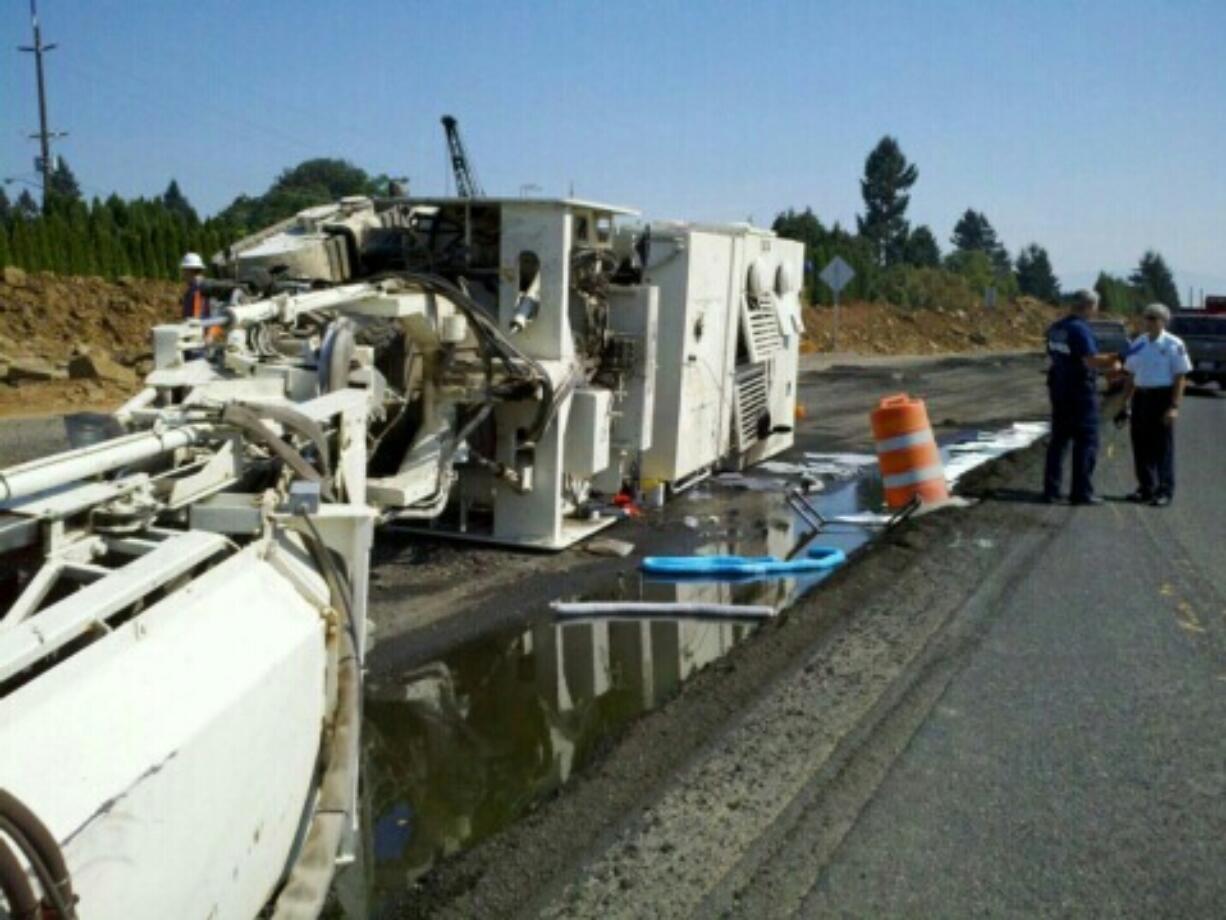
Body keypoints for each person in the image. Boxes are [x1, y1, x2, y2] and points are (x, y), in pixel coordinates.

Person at [1042, 289, 1120, 505]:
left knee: (1059, 441)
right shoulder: (1080, 329)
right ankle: (1081, 491)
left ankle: (1051, 490)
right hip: (1080, 391)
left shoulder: (1056, 328)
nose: (1096, 311)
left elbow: (1053, 354)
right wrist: (1114, 360)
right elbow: (1090, 360)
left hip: (1059, 387)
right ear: (1089, 306)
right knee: (1086, 441)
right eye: (1095, 307)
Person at [1113, 303, 1190, 507]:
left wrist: (1174, 406)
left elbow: (1180, 377)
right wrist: (1124, 403)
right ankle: (1146, 487)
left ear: (1164, 321)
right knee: (1140, 444)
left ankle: (1164, 491)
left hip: (1162, 397)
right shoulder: (1138, 343)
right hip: (1141, 397)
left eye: (1153, 318)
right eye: (1146, 317)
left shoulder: (1174, 344)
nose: (1148, 321)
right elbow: (1130, 374)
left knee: (1162, 448)